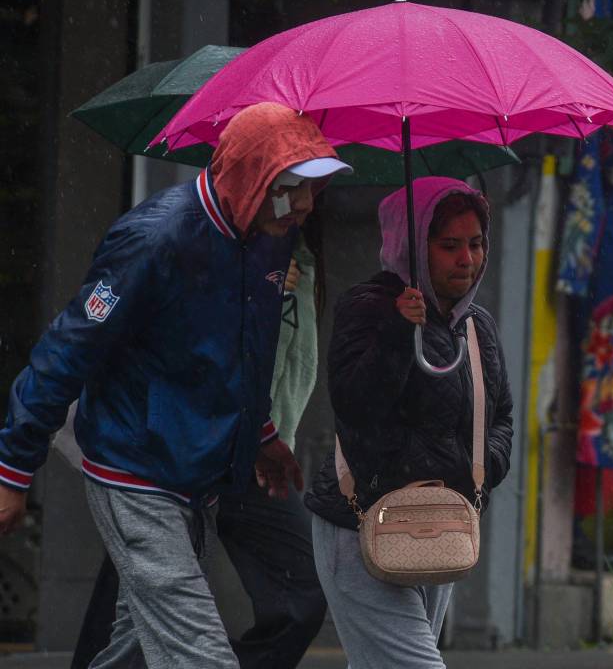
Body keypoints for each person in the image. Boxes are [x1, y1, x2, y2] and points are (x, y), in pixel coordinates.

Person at [0, 102, 351, 668]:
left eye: (314, 188)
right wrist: (11, 469)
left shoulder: (270, 233)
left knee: (135, 641)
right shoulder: (153, 240)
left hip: (198, 472)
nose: (307, 206)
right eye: (293, 188)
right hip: (134, 467)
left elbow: (248, 349)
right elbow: (68, 348)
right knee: (201, 657)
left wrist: (259, 433)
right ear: (250, 177)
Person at [69, 210, 330, 669]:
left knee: (304, 589)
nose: (307, 196)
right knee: (134, 610)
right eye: (297, 182)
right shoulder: (185, 235)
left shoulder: (303, 255)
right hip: (173, 452)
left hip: (255, 449)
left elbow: (289, 367)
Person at [305, 178, 515, 669]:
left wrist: (471, 472)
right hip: (361, 524)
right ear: (412, 244)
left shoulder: (475, 326)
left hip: (439, 525)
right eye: (449, 246)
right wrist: (400, 332)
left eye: (476, 243)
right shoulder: (369, 309)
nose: (467, 259)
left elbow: (499, 417)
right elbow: (356, 406)